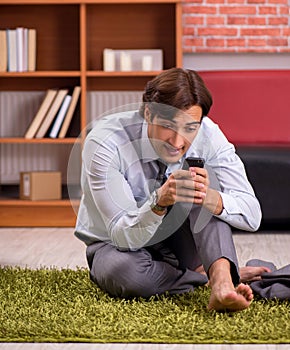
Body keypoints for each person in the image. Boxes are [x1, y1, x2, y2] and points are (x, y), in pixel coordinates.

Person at [74, 68, 270, 312]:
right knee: (125, 274)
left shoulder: (209, 135)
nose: (177, 143)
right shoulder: (105, 142)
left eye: (190, 128)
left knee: (204, 192)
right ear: (148, 113)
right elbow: (120, 234)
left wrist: (211, 198)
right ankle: (210, 276)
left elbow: (252, 215)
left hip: (181, 244)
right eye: (168, 125)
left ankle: (222, 281)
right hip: (114, 246)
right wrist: (159, 202)